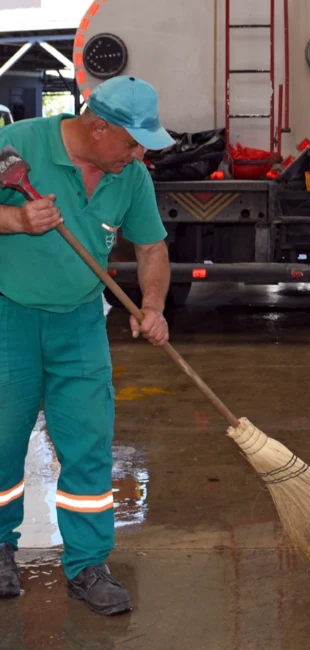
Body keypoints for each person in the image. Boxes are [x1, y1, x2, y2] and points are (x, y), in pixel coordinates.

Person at [0, 76, 174, 615]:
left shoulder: (131, 176)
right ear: (98, 128)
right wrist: (15, 219)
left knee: (89, 444)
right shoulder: (18, 145)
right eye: (133, 142)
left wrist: (152, 305)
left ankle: (88, 566)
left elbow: (151, 248)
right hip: (9, 315)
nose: (139, 154)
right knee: (1, 442)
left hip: (79, 322)